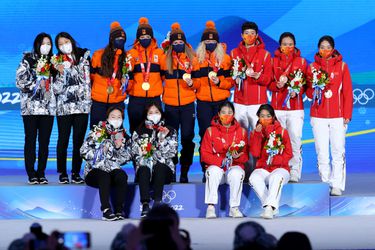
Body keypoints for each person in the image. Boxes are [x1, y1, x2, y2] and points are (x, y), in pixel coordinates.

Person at [306, 35, 353, 196]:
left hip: (338, 116)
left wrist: (347, 115)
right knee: (322, 151)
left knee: (338, 150)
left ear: (333, 49)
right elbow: (309, 93)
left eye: (328, 47)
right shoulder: (312, 67)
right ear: (318, 49)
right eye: (322, 47)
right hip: (318, 116)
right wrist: (316, 86)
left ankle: (337, 184)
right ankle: (325, 182)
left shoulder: (342, 67)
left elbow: (347, 92)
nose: (325, 50)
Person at [230, 21, 272, 181]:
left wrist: (258, 76)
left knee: (259, 137)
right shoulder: (234, 54)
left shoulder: (266, 55)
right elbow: (230, 78)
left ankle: (259, 172)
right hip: (239, 102)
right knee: (240, 138)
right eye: (246, 33)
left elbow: (268, 79)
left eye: (252, 33)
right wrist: (236, 77)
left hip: (258, 103)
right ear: (242, 35)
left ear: (256, 35)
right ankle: (242, 172)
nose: (249, 36)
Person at [161, 23, 200, 183]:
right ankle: (171, 171)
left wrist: (192, 84)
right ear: (171, 44)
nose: (178, 45)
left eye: (180, 42)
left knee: (187, 138)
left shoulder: (193, 59)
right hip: (170, 105)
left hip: (187, 104)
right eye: (175, 43)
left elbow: (198, 82)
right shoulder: (165, 60)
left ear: (185, 43)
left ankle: (184, 171)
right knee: (171, 140)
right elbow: (158, 80)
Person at [16, 32, 56, 184]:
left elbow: (58, 87)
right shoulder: (27, 59)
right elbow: (19, 81)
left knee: (44, 142)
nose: (46, 46)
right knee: (30, 140)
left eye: (49, 44)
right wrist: (36, 84)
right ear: (37, 44)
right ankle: (31, 173)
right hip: (30, 108)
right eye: (44, 43)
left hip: (48, 109)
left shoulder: (54, 61)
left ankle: (41, 173)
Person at [196, 21, 233, 181]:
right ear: (203, 43)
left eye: (213, 41)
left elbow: (231, 81)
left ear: (217, 42)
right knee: (205, 136)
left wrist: (220, 83)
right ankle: (207, 171)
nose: (210, 43)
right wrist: (193, 84)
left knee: (224, 136)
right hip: (203, 102)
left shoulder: (225, 58)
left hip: (221, 103)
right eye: (207, 41)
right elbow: (196, 82)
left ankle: (225, 168)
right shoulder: (197, 59)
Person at [268, 32, 307, 182]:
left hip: (295, 108)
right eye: (285, 44)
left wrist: (297, 91)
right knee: (278, 140)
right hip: (277, 108)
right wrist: (277, 86)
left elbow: (305, 84)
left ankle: (295, 171)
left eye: (290, 44)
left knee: (294, 139)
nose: (288, 47)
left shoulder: (302, 62)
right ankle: (281, 170)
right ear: (280, 45)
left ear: (294, 45)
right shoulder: (273, 61)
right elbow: (269, 83)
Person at [53, 32, 91, 184]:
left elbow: (89, 80)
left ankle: (76, 172)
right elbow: (55, 89)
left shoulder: (85, 56)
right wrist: (61, 73)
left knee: (79, 141)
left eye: (66, 41)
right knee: (63, 140)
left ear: (72, 41)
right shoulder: (56, 61)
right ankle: (62, 172)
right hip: (64, 107)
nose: (64, 45)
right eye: (60, 44)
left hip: (82, 107)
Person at [80, 107, 131, 221]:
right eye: (113, 117)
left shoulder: (122, 135)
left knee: (121, 175)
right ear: (107, 118)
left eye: (119, 117)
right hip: (94, 172)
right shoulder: (98, 131)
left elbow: (126, 159)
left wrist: (118, 148)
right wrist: (101, 151)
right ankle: (106, 210)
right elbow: (83, 151)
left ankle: (119, 210)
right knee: (104, 175)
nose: (116, 119)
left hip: (112, 170)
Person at [201, 101, 248, 218]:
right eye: (223, 112)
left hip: (234, 167)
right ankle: (211, 207)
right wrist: (221, 162)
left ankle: (234, 208)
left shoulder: (241, 132)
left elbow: (246, 156)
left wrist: (238, 157)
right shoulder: (210, 131)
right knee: (213, 171)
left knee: (237, 173)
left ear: (234, 114)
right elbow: (204, 154)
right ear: (218, 114)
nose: (226, 115)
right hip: (218, 167)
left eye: (230, 112)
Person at [131, 103, 178, 217]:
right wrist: (145, 155)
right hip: (145, 171)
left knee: (160, 166)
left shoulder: (170, 130)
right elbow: (134, 153)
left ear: (161, 114)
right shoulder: (139, 131)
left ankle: (158, 203)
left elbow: (172, 153)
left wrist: (162, 139)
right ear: (146, 115)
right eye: (150, 113)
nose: (154, 115)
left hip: (164, 171)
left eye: (156, 112)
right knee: (143, 168)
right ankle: (145, 205)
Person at [249, 104, 293, 219]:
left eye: (268, 116)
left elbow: (289, 154)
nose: (265, 118)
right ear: (258, 117)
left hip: (281, 168)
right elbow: (255, 153)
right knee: (253, 178)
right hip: (263, 169)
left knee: (276, 177)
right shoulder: (255, 133)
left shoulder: (282, 132)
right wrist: (257, 135)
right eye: (262, 116)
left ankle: (269, 208)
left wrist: (275, 161)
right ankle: (271, 206)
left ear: (273, 117)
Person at [127, 17, 165, 134]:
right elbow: (128, 75)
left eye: (147, 37)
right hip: (136, 99)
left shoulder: (160, 53)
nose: (145, 39)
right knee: (135, 130)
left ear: (152, 38)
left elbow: (164, 75)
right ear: (138, 38)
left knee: (156, 130)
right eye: (142, 37)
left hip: (154, 99)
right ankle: (135, 152)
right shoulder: (131, 54)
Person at [90, 21, 128, 128]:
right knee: (96, 132)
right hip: (98, 101)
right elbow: (90, 77)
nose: (120, 41)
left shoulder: (127, 58)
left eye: (122, 39)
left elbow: (129, 80)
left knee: (116, 134)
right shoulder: (98, 55)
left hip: (117, 101)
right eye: (117, 39)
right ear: (111, 39)